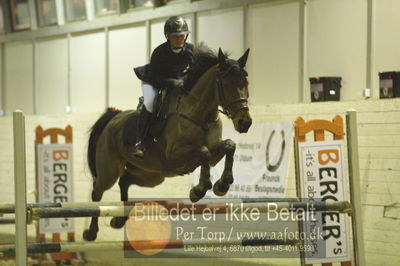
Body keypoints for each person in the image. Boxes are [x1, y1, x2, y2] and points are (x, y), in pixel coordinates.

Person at [133, 16, 194, 159]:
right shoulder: (159, 53)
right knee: (150, 103)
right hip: (153, 81)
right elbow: (155, 78)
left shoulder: (191, 51)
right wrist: (172, 83)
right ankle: (140, 142)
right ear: (168, 37)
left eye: (181, 36)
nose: (179, 39)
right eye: (175, 36)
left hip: (177, 83)